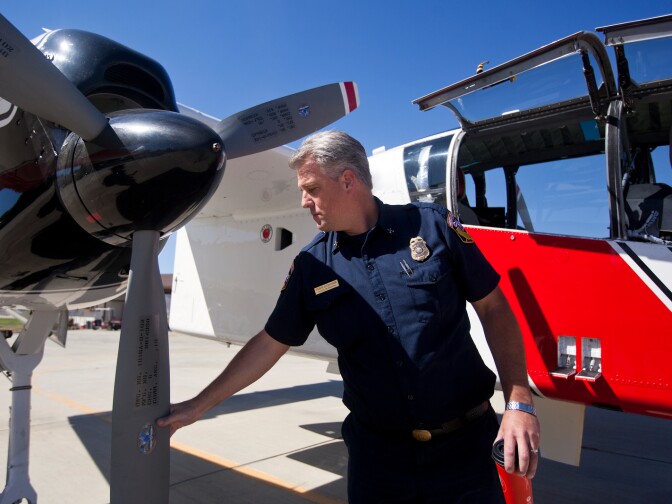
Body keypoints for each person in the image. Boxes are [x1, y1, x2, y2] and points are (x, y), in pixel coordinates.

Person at [158, 130, 541, 502]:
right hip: (379, 461)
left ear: (347, 180)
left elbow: (494, 308)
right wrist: (198, 406)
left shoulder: (433, 226)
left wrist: (518, 400)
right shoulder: (312, 266)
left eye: (312, 189)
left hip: (464, 450)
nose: (305, 202)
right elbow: (269, 343)